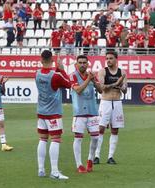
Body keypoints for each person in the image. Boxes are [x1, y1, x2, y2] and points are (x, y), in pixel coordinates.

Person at [36, 50, 71, 180]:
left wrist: (57, 70)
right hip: (53, 113)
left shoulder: (37, 74)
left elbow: (52, 78)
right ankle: (54, 171)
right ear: (52, 60)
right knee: (55, 139)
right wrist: (62, 69)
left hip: (41, 111)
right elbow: (68, 83)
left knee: (43, 139)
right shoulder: (56, 75)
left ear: (41, 60)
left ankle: (41, 169)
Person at [93, 51, 127, 165]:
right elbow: (102, 88)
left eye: (111, 58)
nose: (108, 60)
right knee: (100, 129)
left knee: (115, 130)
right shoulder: (103, 71)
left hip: (117, 102)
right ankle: (96, 155)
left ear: (116, 59)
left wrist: (121, 85)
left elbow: (125, 89)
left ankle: (110, 157)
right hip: (105, 102)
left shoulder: (122, 72)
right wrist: (115, 84)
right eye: (107, 58)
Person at [70, 55, 102, 173]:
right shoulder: (73, 75)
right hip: (79, 112)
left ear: (88, 64)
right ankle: (79, 164)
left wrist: (94, 80)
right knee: (78, 139)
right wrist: (89, 79)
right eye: (80, 62)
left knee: (95, 138)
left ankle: (90, 160)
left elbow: (101, 90)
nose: (83, 64)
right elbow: (78, 90)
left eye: (84, 62)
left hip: (92, 111)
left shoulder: (92, 75)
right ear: (76, 64)